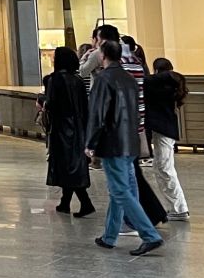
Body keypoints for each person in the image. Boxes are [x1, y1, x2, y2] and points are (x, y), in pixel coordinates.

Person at [86, 40, 162, 256]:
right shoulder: (129, 78)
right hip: (130, 140)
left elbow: (98, 114)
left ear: (103, 56)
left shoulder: (103, 79)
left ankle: (150, 235)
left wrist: (90, 143)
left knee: (120, 190)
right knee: (121, 189)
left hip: (113, 143)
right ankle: (110, 235)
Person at [42, 46, 94, 216]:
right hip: (79, 127)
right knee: (74, 165)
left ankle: (85, 203)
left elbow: (51, 104)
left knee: (66, 165)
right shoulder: (77, 80)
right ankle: (65, 202)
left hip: (62, 128)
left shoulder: (54, 80)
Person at [142, 58, 190, 220]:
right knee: (163, 167)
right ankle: (177, 208)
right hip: (166, 130)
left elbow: (146, 80)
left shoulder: (159, 84)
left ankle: (179, 208)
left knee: (164, 168)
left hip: (162, 130)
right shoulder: (171, 85)